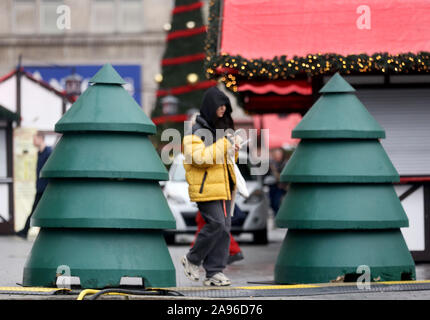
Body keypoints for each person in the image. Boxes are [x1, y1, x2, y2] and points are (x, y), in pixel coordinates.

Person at [181, 86, 239, 286]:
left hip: (224, 187)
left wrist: (233, 150)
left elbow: (222, 160)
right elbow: (199, 159)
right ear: (210, 106)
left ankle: (214, 272)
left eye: (225, 105)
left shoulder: (219, 129)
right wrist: (224, 144)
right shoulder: (195, 132)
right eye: (219, 105)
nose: (223, 109)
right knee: (216, 224)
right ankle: (192, 259)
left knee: (224, 229)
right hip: (206, 189)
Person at [16, 131, 52, 239]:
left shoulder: (49, 152)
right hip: (40, 188)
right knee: (38, 211)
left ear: (41, 139)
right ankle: (27, 231)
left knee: (38, 211)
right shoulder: (39, 153)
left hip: (45, 189)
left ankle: (25, 231)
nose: (33, 141)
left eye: (35, 138)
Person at [268, 148, 287, 215]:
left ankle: (278, 215)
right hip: (272, 185)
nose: (278, 156)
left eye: (279, 154)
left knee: (277, 202)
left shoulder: (284, 163)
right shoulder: (271, 162)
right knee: (272, 202)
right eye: (276, 154)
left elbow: (282, 176)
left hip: (281, 186)